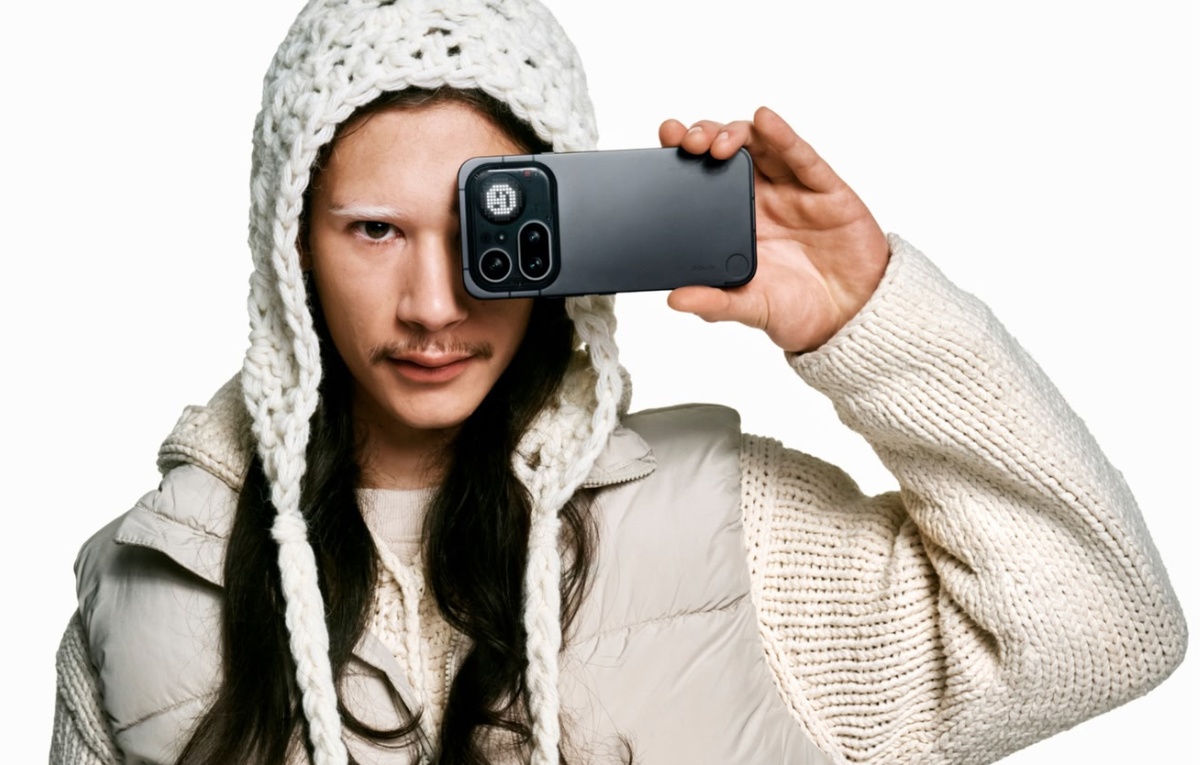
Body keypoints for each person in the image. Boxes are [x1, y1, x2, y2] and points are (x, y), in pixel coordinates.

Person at [50, 1, 1187, 764]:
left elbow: (1103, 627)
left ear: (564, 230)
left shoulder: (728, 531)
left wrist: (865, 316)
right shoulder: (152, 581)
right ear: (291, 247)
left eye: (486, 230)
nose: (433, 305)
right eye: (375, 229)